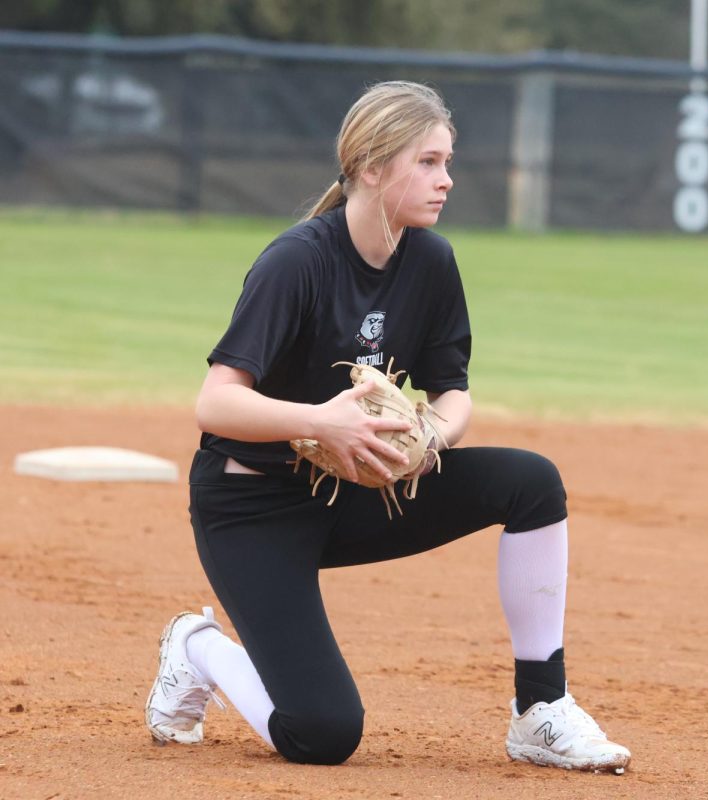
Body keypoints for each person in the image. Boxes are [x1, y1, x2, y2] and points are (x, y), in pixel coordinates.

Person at [143, 80, 631, 773]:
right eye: (428, 162)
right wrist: (319, 422)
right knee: (322, 733)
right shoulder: (299, 261)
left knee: (531, 483)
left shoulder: (430, 261)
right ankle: (198, 648)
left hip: (358, 491)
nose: (446, 180)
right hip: (251, 509)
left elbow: (453, 392)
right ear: (371, 168)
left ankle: (540, 711)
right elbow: (215, 404)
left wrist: (431, 437)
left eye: (447, 161)